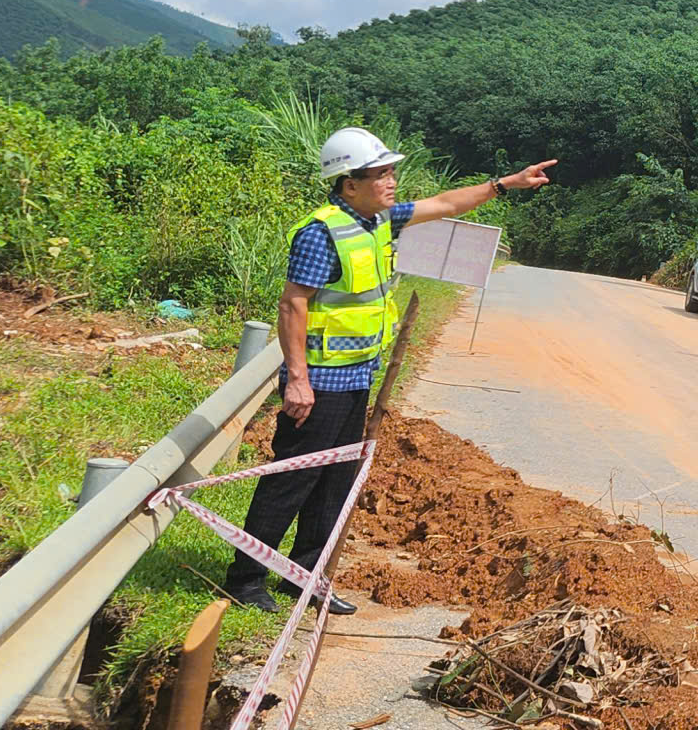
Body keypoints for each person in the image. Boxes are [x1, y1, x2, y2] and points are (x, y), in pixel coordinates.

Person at [224, 127, 556, 614]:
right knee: (293, 479)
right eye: (380, 174)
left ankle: (305, 577)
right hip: (319, 380)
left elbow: (444, 203)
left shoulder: (379, 221)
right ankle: (246, 579)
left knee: (335, 480)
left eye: (390, 172)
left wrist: (505, 184)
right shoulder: (321, 232)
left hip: (358, 375)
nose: (391, 181)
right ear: (349, 183)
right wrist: (297, 379)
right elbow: (293, 304)